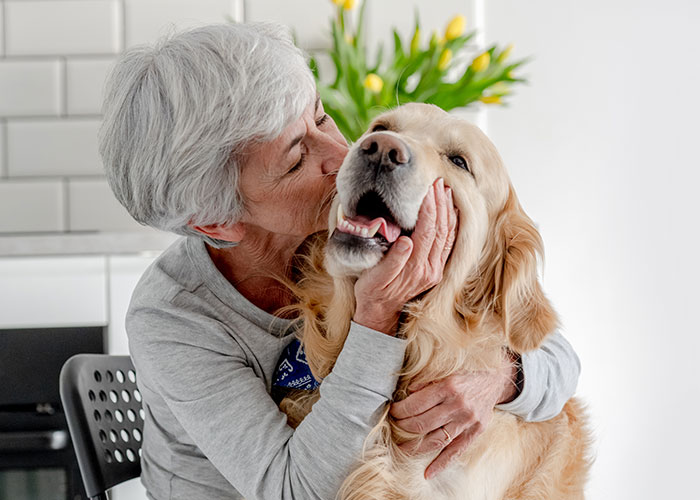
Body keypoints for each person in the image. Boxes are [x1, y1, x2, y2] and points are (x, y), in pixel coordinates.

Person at [98, 23, 581, 500]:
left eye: (322, 117)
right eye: (294, 160)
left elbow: (554, 354)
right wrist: (375, 317)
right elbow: (297, 491)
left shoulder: (350, 225)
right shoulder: (172, 317)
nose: (342, 153)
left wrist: (501, 377)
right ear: (217, 223)